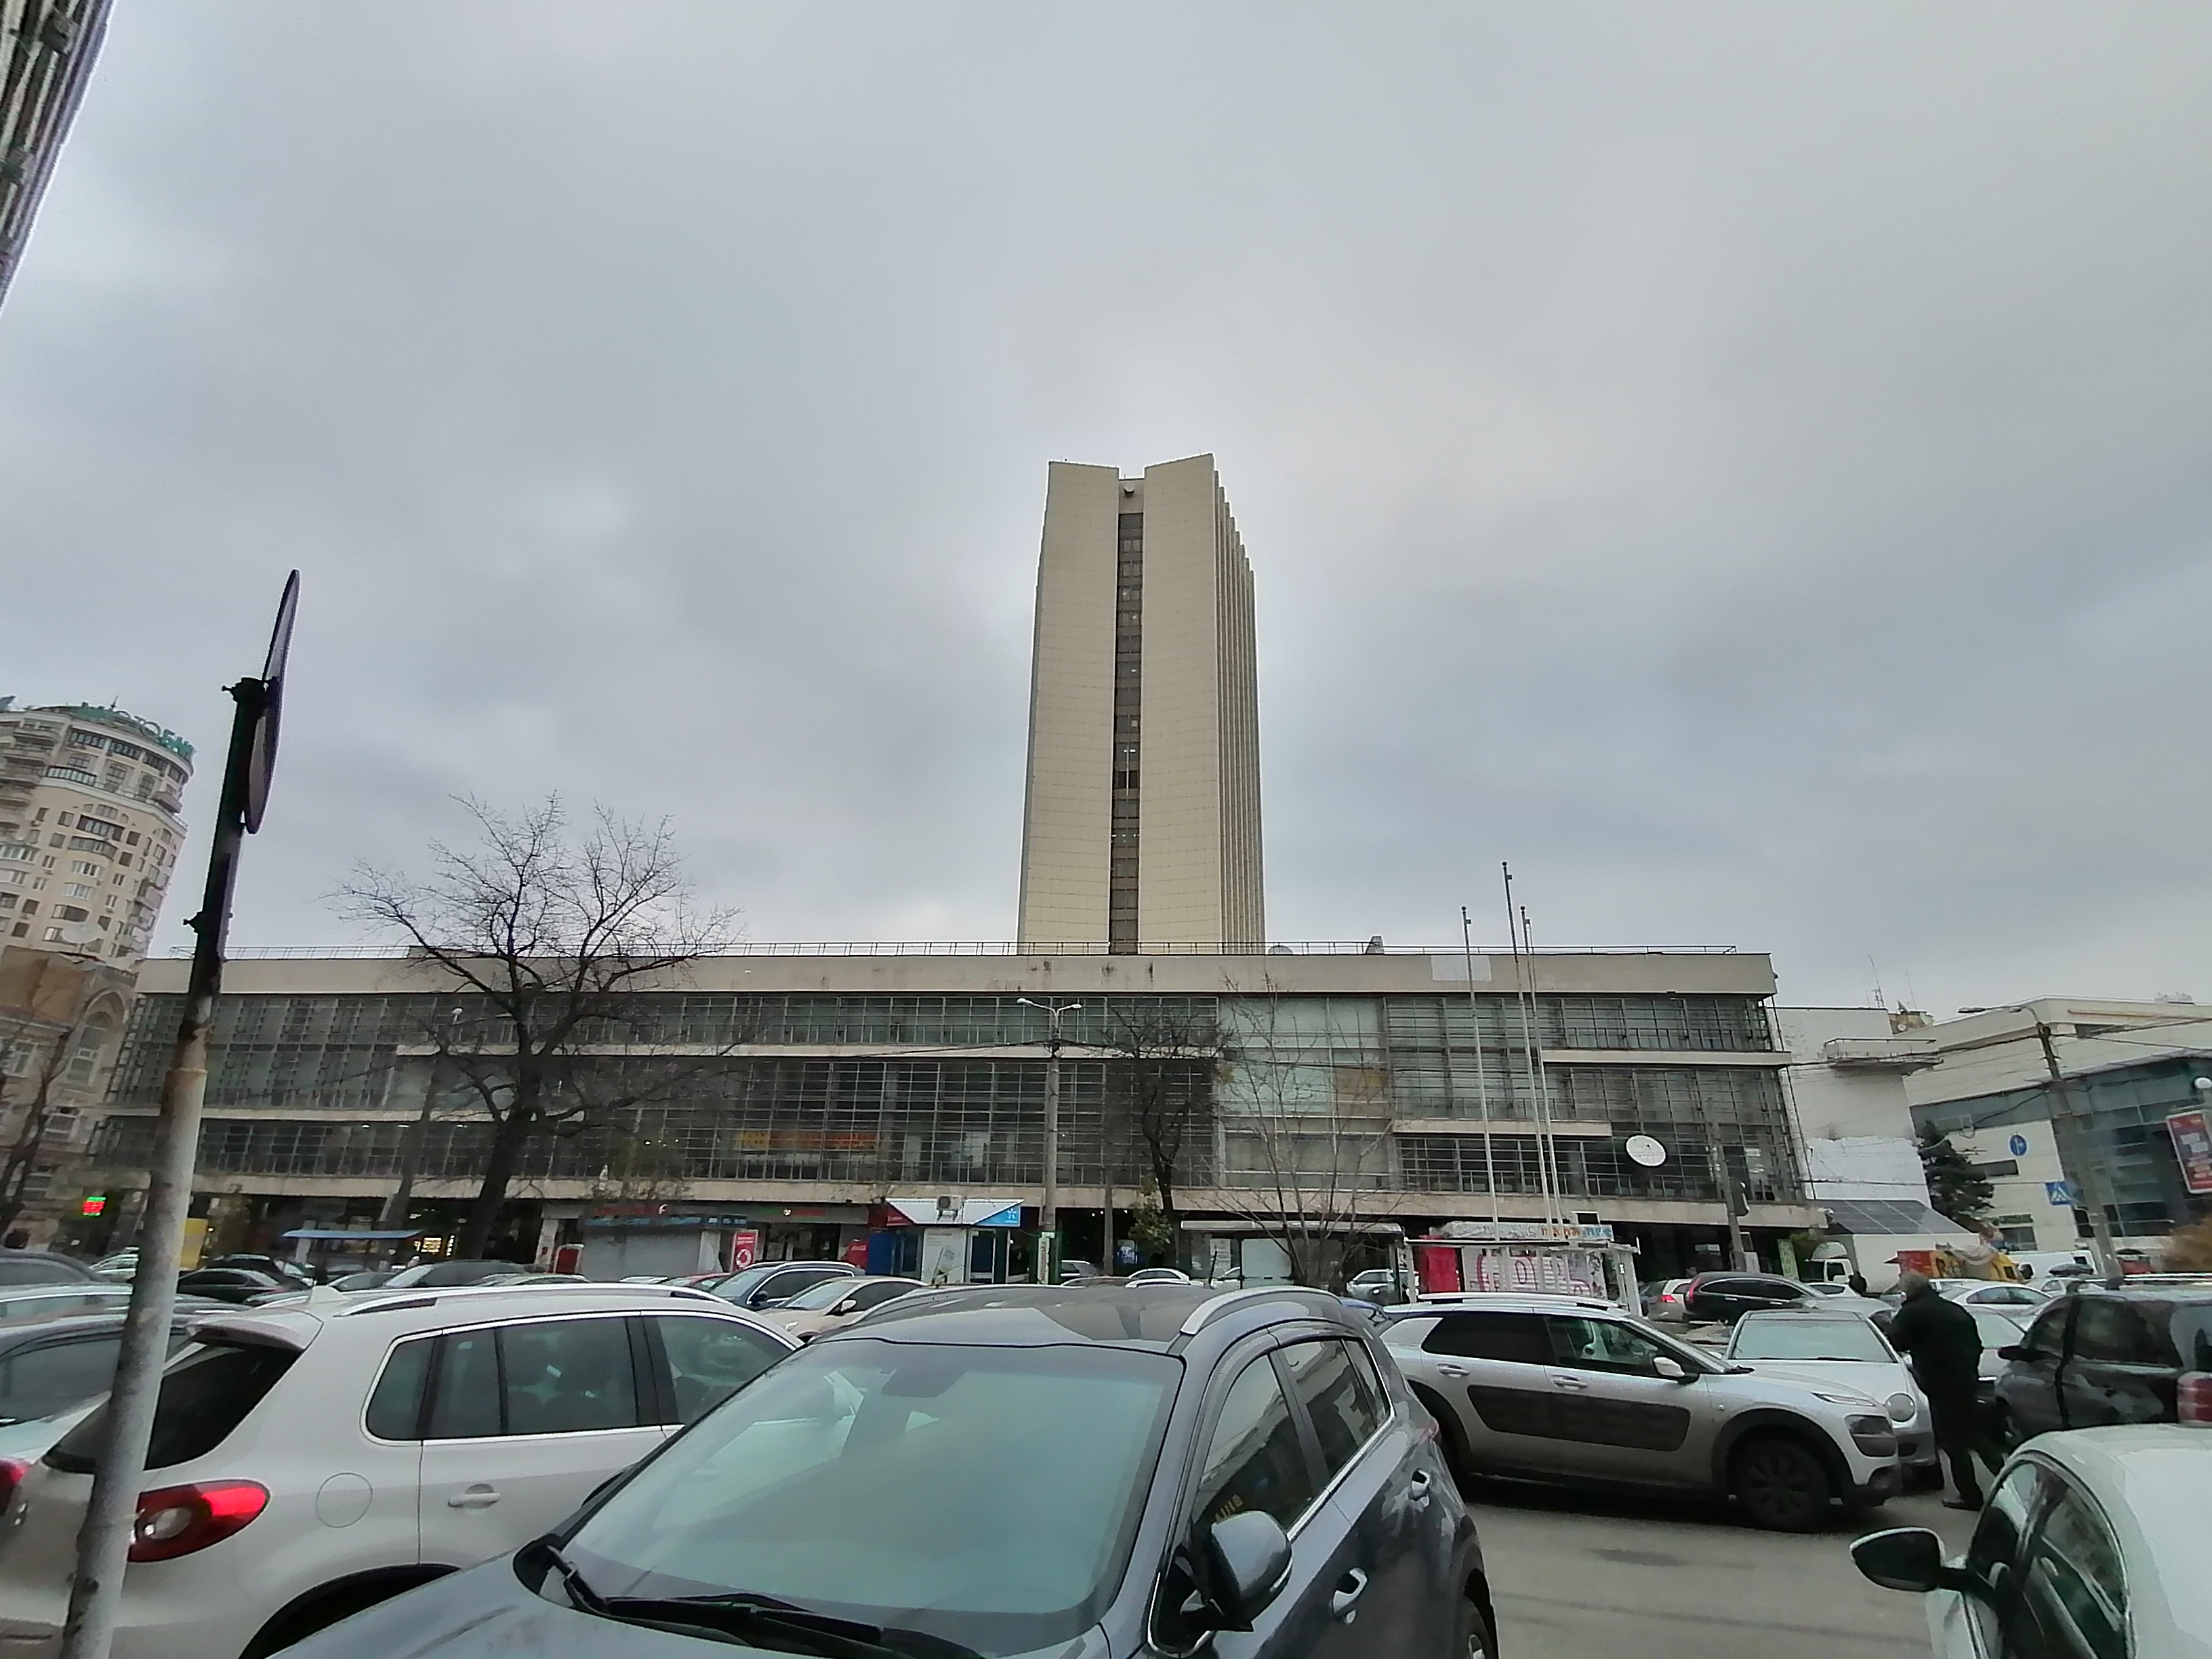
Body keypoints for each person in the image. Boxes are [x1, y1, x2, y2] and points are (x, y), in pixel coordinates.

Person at [1887, 1269, 1986, 1509]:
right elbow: (1977, 1345)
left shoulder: (1911, 1313)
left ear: (1908, 1290)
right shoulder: (1954, 1310)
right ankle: (2006, 1478)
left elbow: (1896, 1341)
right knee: (1975, 1433)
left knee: (1953, 1441)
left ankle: (1970, 1495)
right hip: (1966, 1381)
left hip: (1939, 1383)